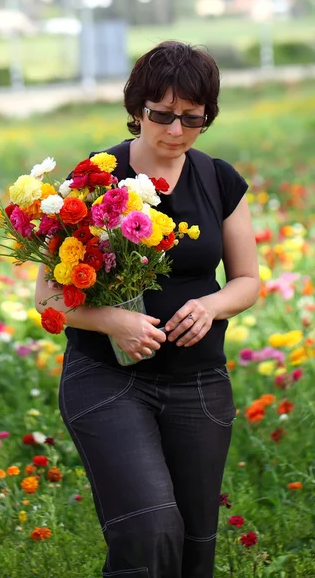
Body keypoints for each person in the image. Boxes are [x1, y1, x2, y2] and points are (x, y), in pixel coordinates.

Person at [35, 41, 260, 578]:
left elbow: (247, 281)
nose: (176, 130)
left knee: (193, 546)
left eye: (192, 118)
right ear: (137, 109)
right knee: (150, 527)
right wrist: (111, 318)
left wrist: (210, 305)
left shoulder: (219, 179)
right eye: (161, 115)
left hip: (199, 383)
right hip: (108, 380)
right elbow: (46, 297)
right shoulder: (94, 179)